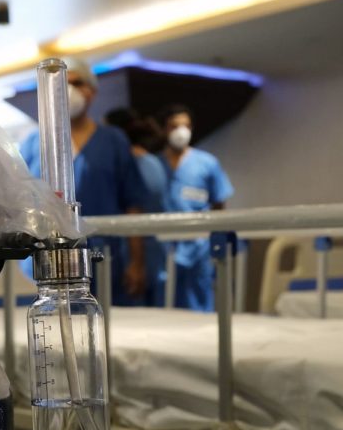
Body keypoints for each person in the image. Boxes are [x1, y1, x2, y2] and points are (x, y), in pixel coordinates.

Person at [19, 59, 146, 306]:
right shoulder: (34, 143)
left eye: (77, 83)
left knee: (103, 321)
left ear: (92, 91)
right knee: (50, 317)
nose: (67, 89)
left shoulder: (113, 141)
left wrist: (137, 261)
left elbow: (133, 202)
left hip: (104, 258)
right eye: (60, 83)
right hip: (46, 260)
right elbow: (21, 201)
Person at [159, 104, 234, 311]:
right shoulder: (154, 165)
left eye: (186, 126)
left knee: (199, 301)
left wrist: (217, 239)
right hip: (164, 247)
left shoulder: (206, 164)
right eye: (174, 126)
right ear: (164, 129)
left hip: (199, 247)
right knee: (164, 303)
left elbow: (219, 205)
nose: (181, 132)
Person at [108, 108, 169, 307]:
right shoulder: (154, 162)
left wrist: (136, 262)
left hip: (133, 252)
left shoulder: (130, 165)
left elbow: (133, 209)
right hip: (155, 251)